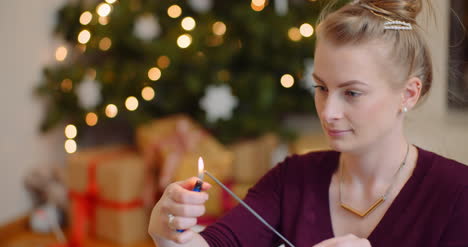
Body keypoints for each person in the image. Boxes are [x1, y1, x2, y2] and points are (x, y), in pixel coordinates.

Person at [148, 0, 468, 246]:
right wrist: (168, 232)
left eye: (352, 92)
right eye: (321, 88)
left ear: (408, 94)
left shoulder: (457, 193)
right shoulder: (292, 180)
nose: (328, 112)